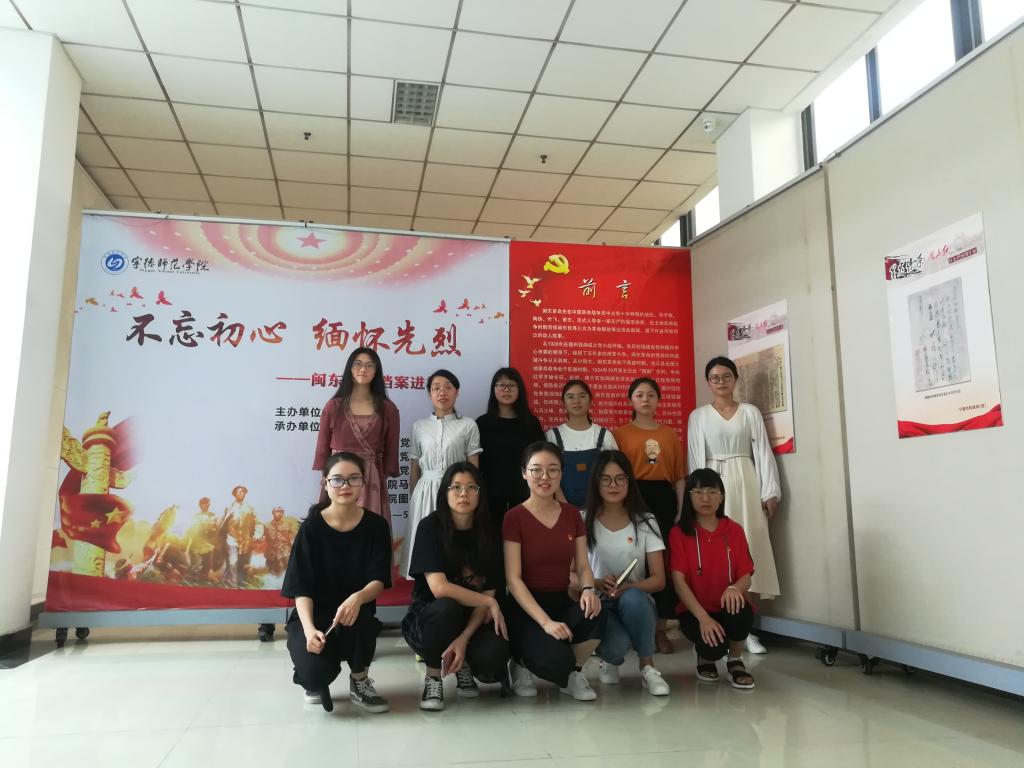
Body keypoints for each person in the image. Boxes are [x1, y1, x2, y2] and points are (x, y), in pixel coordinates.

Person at [281, 452, 392, 713]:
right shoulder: (311, 529)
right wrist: (309, 630)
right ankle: (314, 678)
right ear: (325, 483)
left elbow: (378, 580)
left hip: (354, 615)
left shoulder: (376, 526)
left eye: (353, 478)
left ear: (363, 483)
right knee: (314, 674)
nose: (345, 486)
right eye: (338, 479)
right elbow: (301, 588)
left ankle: (359, 680)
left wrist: (358, 598)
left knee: (363, 620)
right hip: (314, 616)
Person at [687, 356, 781, 655]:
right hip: (712, 484)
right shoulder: (698, 416)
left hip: (745, 480)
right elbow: (694, 457)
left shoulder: (750, 412)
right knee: (715, 550)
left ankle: (745, 629)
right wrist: (697, 495)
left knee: (746, 544)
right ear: (708, 382)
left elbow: (763, 451)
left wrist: (770, 491)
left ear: (735, 379)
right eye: (715, 377)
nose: (721, 382)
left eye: (726, 376)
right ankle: (714, 625)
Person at [402, 462, 511, 711]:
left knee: (495, 653)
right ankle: (433, 677)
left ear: (481, 494)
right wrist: (488, 601)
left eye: (472, 488)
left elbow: (488, 594)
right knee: (447, 608)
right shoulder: (430, 527)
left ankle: (464, 664)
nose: (464, 494)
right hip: (429, 619)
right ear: (445, 492)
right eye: (456, 487)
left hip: (472, 618)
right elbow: (440, 589)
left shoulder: (490, 532)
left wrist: (464, 638)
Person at [503, 441, 603, 701]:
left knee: (596, 614)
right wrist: (546, 623)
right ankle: (521, 662)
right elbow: (513, 579)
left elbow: (583, 566)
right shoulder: (514, 517)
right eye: (536, 470)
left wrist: (588, 589)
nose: (545, 477)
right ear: (524, 473)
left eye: (553, 470)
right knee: (555, 658)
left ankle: (573, 673)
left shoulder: (572, 515)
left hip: (560, 599)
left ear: (561, 473)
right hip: (526, 607)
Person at [582, 450, 670, 696]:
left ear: (629, 482)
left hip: (635, 602)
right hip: (599, 603)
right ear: (596, 482)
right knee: (617, 645)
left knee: (633, 599)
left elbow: (659, 580)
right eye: (606, 479)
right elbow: (571, 575)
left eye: (620, 478)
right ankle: (609, 659)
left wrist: (629, 587)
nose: (613, 485)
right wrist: (595, 582)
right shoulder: (583, 519)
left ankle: (647, 667)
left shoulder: (645, 520)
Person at [613, 377, 685, 654]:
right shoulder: (620, 435)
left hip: (663, 499)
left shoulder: (669, 435)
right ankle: (632, 627)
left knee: (662, 563)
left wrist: (680, 509)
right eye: (639, 395)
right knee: (633, 560)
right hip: (632, 496)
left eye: (651, 395)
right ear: (630, 400)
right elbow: (614, 476)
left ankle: (659, 630)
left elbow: (679, 476)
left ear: (658, 400)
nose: (645, 399)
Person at [669, 468, 756, 690]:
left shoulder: (734, 530)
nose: (705, 498)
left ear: (722, 496)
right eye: (698, 492)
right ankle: (705, 658)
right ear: (689, 496)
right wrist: (704, 618)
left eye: (712, 492)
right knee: (713, 648)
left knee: (740, 606)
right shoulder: (678, 533)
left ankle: (735, 660)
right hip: (695, 611)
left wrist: (735, 588)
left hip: (727, 606)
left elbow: (746, 576)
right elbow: (678, 581)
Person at [400, 369, 482, 578]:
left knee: (452, 539)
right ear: (430, 394)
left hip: (456, 490)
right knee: (425, 541)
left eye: (448, 387)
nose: (442, 392)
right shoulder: (419, 426)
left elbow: (473, 467)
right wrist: (414, 496)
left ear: (457, 392)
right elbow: (415, 467)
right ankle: (423, 588)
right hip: (425, 490)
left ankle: (451, 583)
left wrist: (473, 493)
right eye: (436, 388)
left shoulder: (468, 425)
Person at [313, 346, 400, 527]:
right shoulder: (333, 407)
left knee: (369, 529)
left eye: (369, 365)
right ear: (350, 369)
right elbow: (322, 450)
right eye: (358, 364)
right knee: (335, 527)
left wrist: (377, 478)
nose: (363, 369)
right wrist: (330, 479)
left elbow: (391, 451)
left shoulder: (388, 409)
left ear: (376, 371)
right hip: (338, 474)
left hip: (371, 478)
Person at [476, 367, 544, 526]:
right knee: (492, 537)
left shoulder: (531, 423)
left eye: (512, 385)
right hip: (490, 495)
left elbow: (541, 458)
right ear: (494, 390)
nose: (506, 390)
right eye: (501, 385)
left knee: (523, 535)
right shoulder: (481, 424)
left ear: (519, 390)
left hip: (525, 493)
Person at [545, 379, 618, 509]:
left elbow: (614, 472)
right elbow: (548, 475)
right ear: (563, 403)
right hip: (562, 507)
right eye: (570, 397)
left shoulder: (604, 435)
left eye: (582, 396)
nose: (576, 401)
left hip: (600, 507)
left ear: (590, 401)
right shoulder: (552, 436)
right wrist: (565, 506)